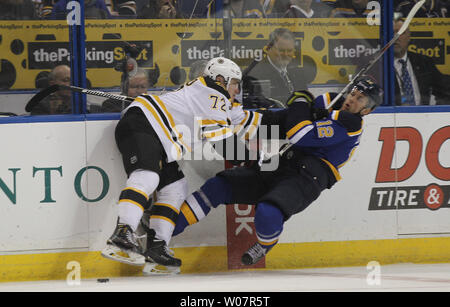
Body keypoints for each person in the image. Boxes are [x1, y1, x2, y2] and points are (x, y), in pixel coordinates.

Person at [172, 76, 383, 266]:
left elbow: (298, 133)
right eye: (353, 93)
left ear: (367, 110)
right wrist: (239, 117)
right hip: (284, 163)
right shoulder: (331, 101)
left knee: (267, 212)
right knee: (218, 187)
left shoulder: (350, 125)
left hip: (308, 178)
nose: (352, 99)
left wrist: (301, 104)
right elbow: (282, 121)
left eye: (361, 99)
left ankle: (265, 245)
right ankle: (164, 233)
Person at [101, 57, 264, 273]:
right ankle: (122, 233)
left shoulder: (218, 99)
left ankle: (157, 248)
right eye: (234, 82)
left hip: (159, 137)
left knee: (176, 188)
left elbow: (250, 120)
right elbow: (225, 146)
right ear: (220, 79)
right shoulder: (213, 94)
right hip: (143, 123)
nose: (238, 88)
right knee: (148, 176)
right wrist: (255, 160)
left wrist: (294, 119)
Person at [242, 28, 307, 108]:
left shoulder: (298, 72)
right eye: (281, 50)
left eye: (289, 50)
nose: (285, 54)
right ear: (268, 49)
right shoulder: (255, 74)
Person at [393, 18, 450, 105]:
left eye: (401, 33)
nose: (396, 37)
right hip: (393, 116)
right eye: (392, 32)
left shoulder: (424, 62)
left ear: (409, 37)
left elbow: (444, 90)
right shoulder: (379, 66)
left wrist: (437, 109)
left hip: (423, 114)